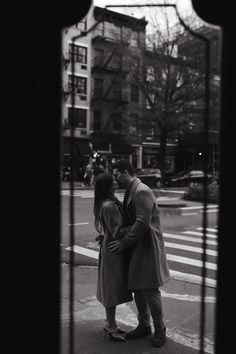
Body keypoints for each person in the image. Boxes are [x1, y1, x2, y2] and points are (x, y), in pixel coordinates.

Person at [108, 159, 170, 348]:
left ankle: (160, 330)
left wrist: (123, 242)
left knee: (150, 290)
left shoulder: (141, 190)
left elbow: (142, 223)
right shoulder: (132, 190)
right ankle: (144, 325)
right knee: (138, 289)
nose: (115, 179)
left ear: (127, 172)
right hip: (138, 248)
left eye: (117, 175)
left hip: (147, 248)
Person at [93, 172, 133, 342]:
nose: (116, 183)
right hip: (113, 252)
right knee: (112, 289)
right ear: (107, 187)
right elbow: (118, 232)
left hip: (111, 250)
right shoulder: (109, 206)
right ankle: (111, 327)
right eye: (112, 182)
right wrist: (139, 225)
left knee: (112, 287)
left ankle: (111, 323)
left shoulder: (105, 204)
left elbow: (110, 229)